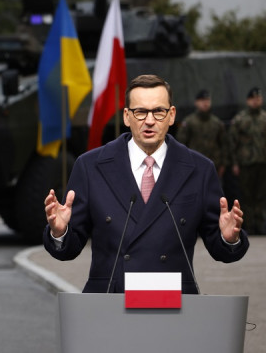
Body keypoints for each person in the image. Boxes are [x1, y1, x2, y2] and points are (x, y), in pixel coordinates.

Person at [42, 74, 248, 294]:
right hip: (110, 303)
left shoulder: (199, 169)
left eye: (158, 111)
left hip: (174, 303)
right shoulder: (91, 166)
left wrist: (229, 238)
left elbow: (222, 250)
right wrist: (60, 232)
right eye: (140, 112)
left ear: (171, 115)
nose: (149, 121)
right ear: (127, 117)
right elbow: (69, 250)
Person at [229, 87, 266, 235]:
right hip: (245, 163)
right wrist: (234, 162)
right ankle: (249, 225)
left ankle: (261, 224)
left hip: (263, 162)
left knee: (262, 195)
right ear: (248, 101)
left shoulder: (264, 118)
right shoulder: (240, 119)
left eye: (258, 98)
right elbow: (232, 142)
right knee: (247, 196)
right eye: (253, 98)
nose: (256, 101)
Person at [176, 88, 230, 183]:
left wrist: (223, 164)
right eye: (202, 101)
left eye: (207, 100)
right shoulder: (189, 122)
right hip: (194, 165)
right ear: (196, 103)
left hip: (214, 165)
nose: (205, 103)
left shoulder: (216, 122)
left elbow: (224, 144)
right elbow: (180, 144)